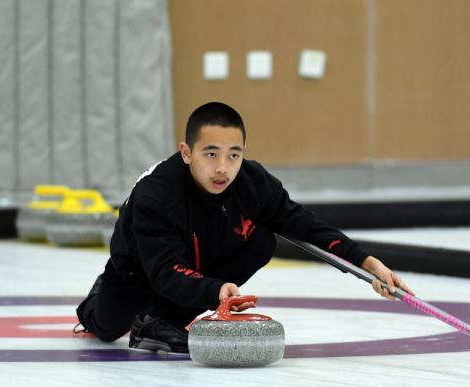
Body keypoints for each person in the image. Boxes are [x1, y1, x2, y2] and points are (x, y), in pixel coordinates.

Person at [75, 102, 414, 353]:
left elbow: (308, 227)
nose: (223, 168)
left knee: (262, 239)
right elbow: (163, 271)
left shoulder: (254, 183)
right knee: (106, 328)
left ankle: (162, 321)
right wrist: (214, 290)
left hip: (195, 260)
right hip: (139, 270)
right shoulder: (157, 196)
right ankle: (100, 299)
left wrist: (368, 264)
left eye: (233, 155)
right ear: (186, 152)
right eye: (210, 154)